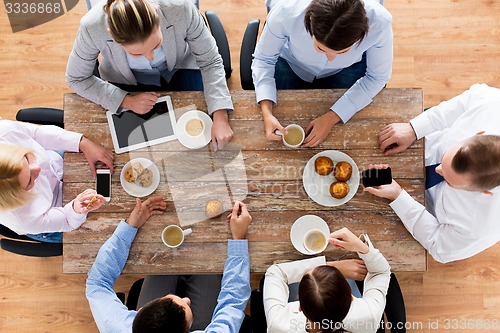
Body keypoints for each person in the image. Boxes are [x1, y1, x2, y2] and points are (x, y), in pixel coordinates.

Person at [66, 0, 233, 150]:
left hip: (180, 67)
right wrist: (125, 100)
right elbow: (76, 78)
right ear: (111, 34)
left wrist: (220, 115)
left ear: (156, 13)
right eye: (137, 54)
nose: (151, 58)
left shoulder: (180, 7)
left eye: (156, 45)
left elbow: (210, 61)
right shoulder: (92, 27)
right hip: (127, 81)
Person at [365, 83, 500, 263]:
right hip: (425, 142)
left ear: (485, 192)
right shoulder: (491, 103)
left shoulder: (480, 227)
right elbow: (459, 106)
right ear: (478, 134)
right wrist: (414, 128)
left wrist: (398, 197)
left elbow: (438, 244)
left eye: (450, 180)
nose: (438, 170)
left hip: (428, 211)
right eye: (446, 160)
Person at [86, 199, 252, 333]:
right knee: (206, 268)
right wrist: (239, 238)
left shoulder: (117, 326)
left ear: (140, 310)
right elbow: (233, 301)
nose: (187, 300)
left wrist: (130, 225)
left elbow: (97, 283)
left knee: (163, 258)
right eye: (186, 305)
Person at [252, 0, 392, 147]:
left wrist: (333, 117)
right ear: (310, 20)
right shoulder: (285, 11)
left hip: (346, 69)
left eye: (343, 52)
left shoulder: (380, 22)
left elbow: (377, 77)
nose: (331, 58)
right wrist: (266, 112)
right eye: (320, 49)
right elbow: (264, 59)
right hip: (290, 63)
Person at [0, 120, 113, 242]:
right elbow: (66, 220)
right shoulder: (22, 219)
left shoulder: (5, 132)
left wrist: (82, 143)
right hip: (51, 214)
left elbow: (36, 134)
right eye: (29, 181)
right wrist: (75, 209)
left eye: (27, 158)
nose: (38, 168)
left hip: (55, 162)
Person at [264, 227, 390, 333]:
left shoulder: (278, 324)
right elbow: (381, 272)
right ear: (351, 297)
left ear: (300, 307)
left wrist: (334, 265)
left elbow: (276, 272)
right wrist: (362, 247)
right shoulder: (368, 317)